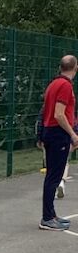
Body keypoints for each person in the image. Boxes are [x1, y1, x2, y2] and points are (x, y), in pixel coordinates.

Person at [39, 55, 78, 230]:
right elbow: (59, 114)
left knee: (53, 176)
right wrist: (73, 134)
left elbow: (45, 112)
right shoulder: (65, 86)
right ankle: (47, 218)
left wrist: (41, 134)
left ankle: (51, 214)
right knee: (54, 177)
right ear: (75, 68)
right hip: (58, 134)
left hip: (50, 132)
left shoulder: (53, 84)